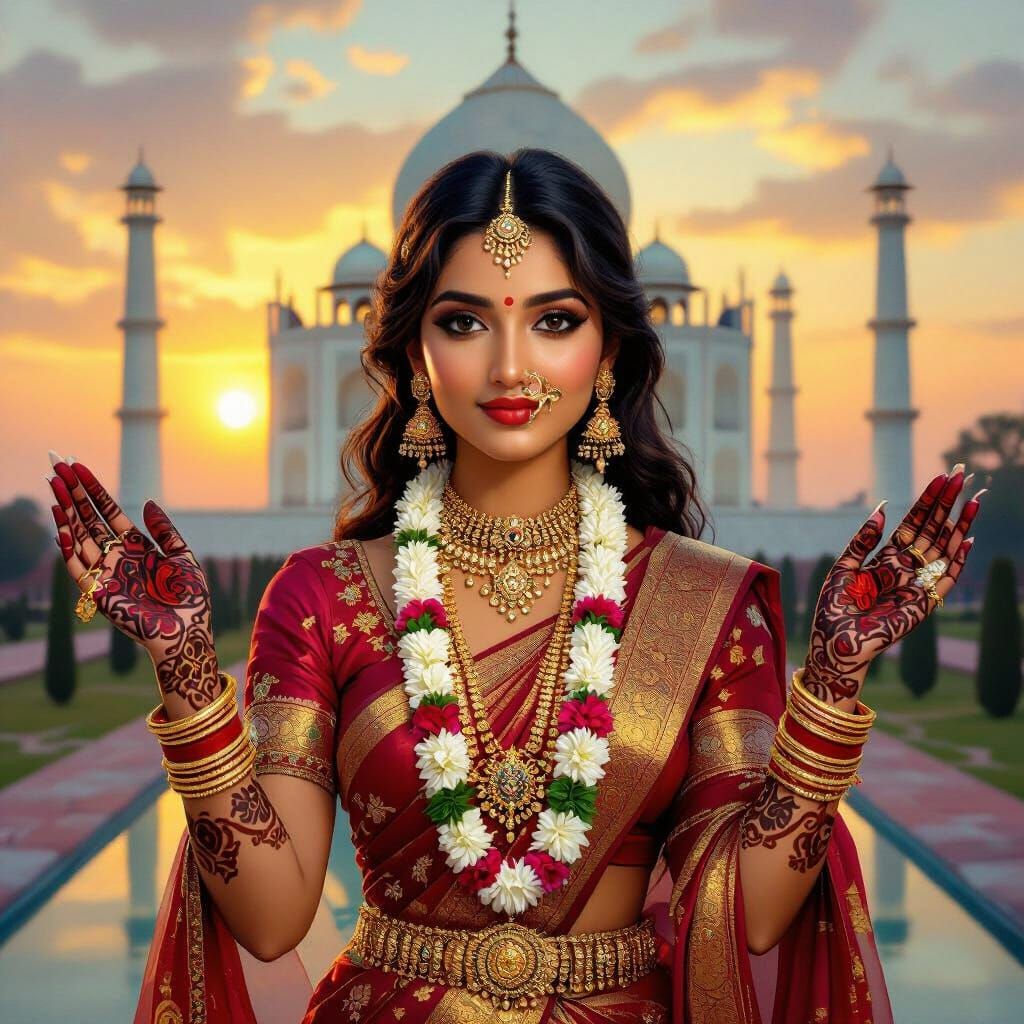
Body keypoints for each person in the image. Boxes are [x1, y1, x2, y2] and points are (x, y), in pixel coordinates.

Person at [46, 148, 982, 1024]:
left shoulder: (700, 602)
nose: (509, 367)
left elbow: (748, 920)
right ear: (415, 351)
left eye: (555, 320)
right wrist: (184, 671)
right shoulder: (322, 597)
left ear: (609, 349)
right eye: (463, 322)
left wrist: (834, 685)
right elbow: (271, 917)